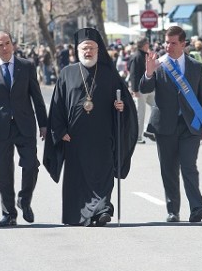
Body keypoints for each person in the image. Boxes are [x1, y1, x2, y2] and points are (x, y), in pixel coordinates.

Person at [43, 28, 138, 226]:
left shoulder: (110, 74)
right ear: (77, 50)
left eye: (92, 48)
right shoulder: (67, 73)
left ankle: (102, 209)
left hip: (103, 136)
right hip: (75, 138)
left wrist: (120, 107)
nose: (88, 52)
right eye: (85, 48)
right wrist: (60, 131)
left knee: (103, 173)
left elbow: (125, 103)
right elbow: (58, 105)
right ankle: (80, 214)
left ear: (98, 50)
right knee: (78, 178)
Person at [139, 25, 202, 223]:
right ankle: (173, 211)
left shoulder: (196, 66)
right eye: (166, 42)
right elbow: (144, 88)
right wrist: (148, 73)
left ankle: (197, 207)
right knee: (169, 168)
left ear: (183, 44)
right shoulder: (159, 64)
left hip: (191, 125)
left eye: (173, 43)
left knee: (189, 166)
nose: (168, 46)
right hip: (165, 125)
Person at [0, 30, 48, 226]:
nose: (5, 47)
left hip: (24, 125)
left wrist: (43, 124)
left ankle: (24, 200)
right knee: (2, 171)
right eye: (0, 45)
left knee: (31, 165)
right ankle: (9, 214)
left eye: (7, 43)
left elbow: (37, 97)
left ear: (13, 44)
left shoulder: (26, 66)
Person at [129, 38, 155, 144]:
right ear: (144, 45)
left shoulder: (145, 55)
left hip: (148, 88)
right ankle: (137, 137)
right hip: (140, 90)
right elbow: (133, 74)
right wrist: (135, 89)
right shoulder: (137, 56)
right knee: (141, 114)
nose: (149, 45)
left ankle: (149, 130)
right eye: (148, 43)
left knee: (157, 107)